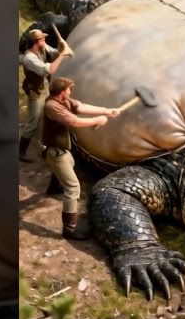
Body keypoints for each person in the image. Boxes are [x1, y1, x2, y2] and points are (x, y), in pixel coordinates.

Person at [40, 77, 120, 240]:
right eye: (68, 89)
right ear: (62, 92)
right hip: (54, 151)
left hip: (61, 150)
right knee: (73, 187)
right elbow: (74, 121)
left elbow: (82, 107)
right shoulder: (52, 107)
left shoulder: (65, 101)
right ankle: (69, 229)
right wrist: (97, 121)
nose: (70, 92)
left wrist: (106, 111)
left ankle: (54, 187)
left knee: (70, 162)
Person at [19, 28, 71, 163]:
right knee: (33, 122)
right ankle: (21, 151)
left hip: (45, 87)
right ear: (36, 42)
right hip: (36, 92)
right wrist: (62, 55)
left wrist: (60, 49)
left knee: (47, 116)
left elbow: (54, 53)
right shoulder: (29, 58)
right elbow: (48, 69)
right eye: (42, 39)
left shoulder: (42, 48)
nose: (45, 40)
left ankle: (46, 147)